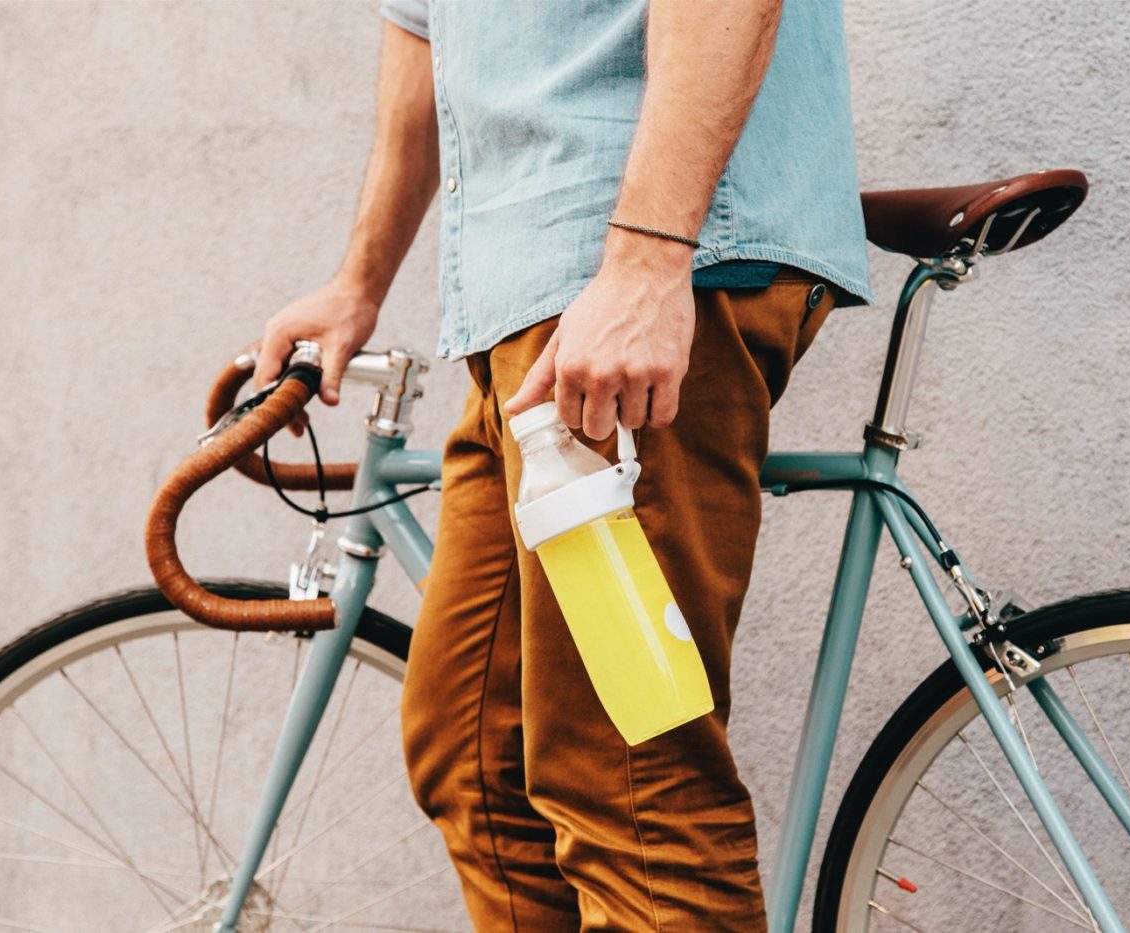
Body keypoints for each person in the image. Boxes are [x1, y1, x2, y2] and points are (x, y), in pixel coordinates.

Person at [253, 0, 873, 927]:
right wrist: (358, 283)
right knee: (476, 758)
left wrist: (648, 263)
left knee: (632, 789)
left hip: (627, 266)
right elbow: (422, 25)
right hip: (530, 304)